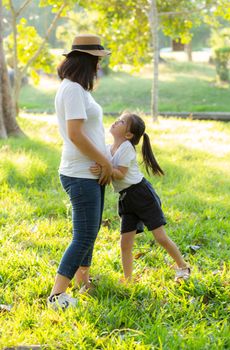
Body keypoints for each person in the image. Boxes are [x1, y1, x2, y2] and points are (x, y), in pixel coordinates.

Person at [48, 34, 112, 310]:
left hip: (90, 171)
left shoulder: (77, 89)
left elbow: (86, 131)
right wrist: (106, 162)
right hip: (80, 172)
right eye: (97, 60)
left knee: (91, 230)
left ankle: (83, 282)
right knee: (83, 235)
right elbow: (75, 134)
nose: (99, 66)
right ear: (87, 60)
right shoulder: (72, 89)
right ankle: (56, 295)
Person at [91, 112, 190, 283]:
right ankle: (128, 279)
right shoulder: (108, 148)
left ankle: (182, 266)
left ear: (128, 135)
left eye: (122, 121)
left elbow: (120, 174)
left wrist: (104, 170)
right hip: (126, 199)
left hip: (142, 195)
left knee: (160, 237)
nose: (116, 121)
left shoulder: (127, 149)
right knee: (125, 243)